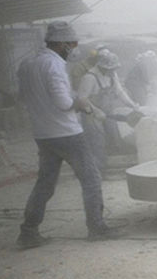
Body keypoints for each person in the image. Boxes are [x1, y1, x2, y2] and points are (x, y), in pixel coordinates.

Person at [15, 21, 121, 247]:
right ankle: (97, 228)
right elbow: (63, 103)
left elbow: (24, 98)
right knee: (91, 179)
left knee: (45, 183)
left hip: (43, 134)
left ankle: (29, 231)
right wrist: (81, 103)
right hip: (67, 133)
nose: (74, 48)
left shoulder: (27, 64)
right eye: (72, 44)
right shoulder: (54, 65)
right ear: (62, 43)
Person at [76, 47, 141, 172]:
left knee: (114, 137)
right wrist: (95, 111)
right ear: (102, 67)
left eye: (114, 69)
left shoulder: (112, 75)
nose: (113, 71)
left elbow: (120, 92)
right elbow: (82, 99)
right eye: (110, 69)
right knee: (97, 141)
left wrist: (132, 105)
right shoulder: (90, 77)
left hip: (107, 111)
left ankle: (109, 166)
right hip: (90, 114)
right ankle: (97, 171)